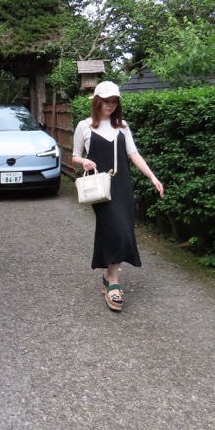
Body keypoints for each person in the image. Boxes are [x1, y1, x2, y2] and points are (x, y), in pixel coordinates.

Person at [71, 81, 164, 311]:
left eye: (114, 102)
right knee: (116, 230)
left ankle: (108, 276)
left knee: (122, 230)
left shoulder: (122, 126)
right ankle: (114, 282)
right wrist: (84, 160)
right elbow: (74, 155)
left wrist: (152, 177)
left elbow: (133, 154)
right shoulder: (84, 126)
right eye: (106, 101)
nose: (110, 106)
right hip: (101, 188)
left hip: (122, 185)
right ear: (96, 101)